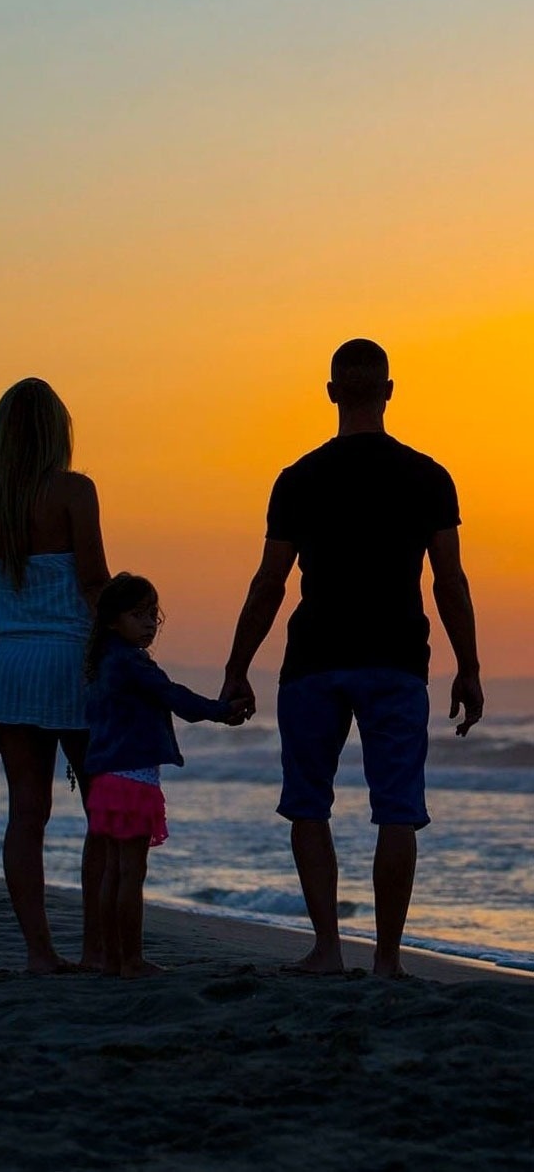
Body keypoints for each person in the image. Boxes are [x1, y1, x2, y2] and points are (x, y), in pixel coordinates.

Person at [221, 338, 484, 977]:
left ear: (332, 393)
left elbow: (269, 583)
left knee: (309, 804)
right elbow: (449, 581)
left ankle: (328, 949)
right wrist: (469, 666)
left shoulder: (298, 478)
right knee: (398, 810)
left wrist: (237, 667)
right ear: (388, 392)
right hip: (396, 659)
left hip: (315, 660)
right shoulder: (427, 476)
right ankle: (388, 960)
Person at [0, 377, 110, 973]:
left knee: (26, 816)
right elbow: (94, 582)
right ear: (57, 432)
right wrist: (128, 647)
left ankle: (39, 952)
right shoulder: (75, 491)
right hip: (70, 663)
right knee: (103, 809)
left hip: (8, 669)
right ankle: (96, 948)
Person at [84, 573, 247, 978]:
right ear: (112, 620)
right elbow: (175, 697)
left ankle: (112, 959)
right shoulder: (131, 663)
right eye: (137, 615)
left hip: (105, 779)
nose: (148, 624)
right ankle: (132, 959)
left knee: (113, 871)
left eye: (152, 615)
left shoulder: (103, 662)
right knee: (131, 873)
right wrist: (221, 711)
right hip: (134, 780)